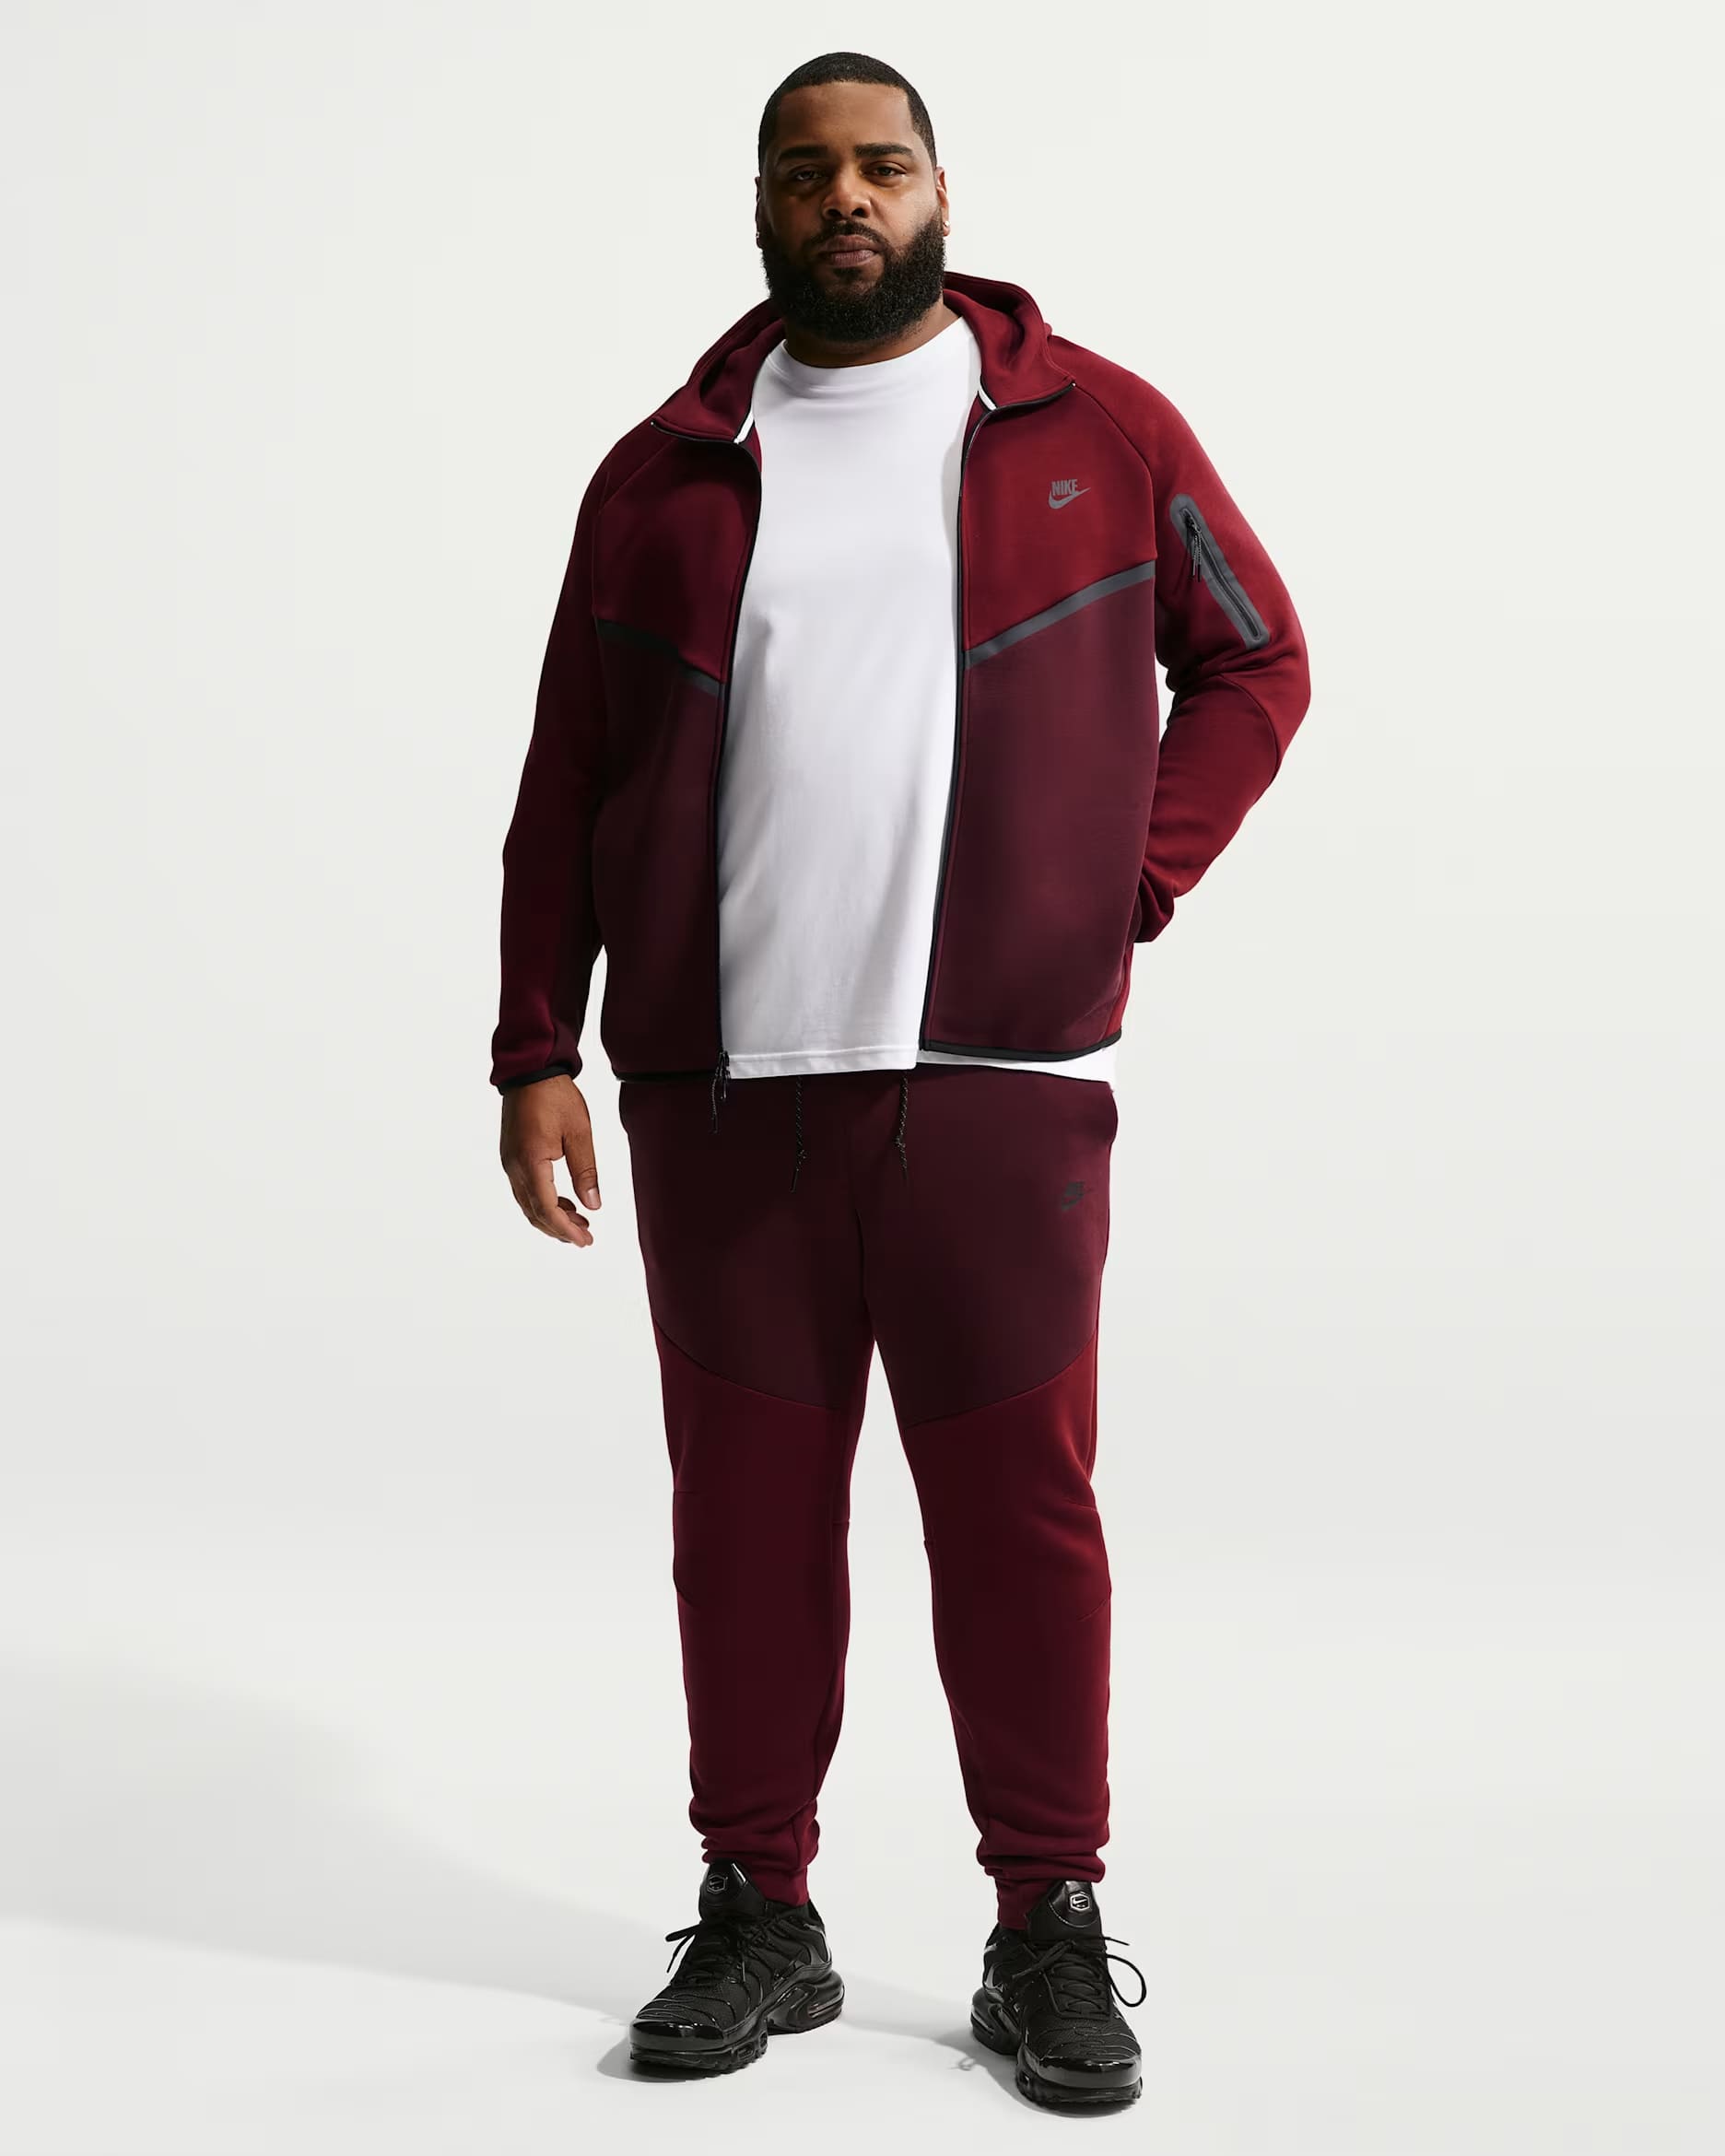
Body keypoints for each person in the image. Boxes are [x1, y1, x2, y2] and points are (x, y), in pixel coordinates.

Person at [490, 50, 1310, 2111]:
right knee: (744, 1524)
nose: (845, 197)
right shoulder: (664, 472)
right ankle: (758, 1909)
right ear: (762, 205)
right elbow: (565, 779)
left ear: (943, 191)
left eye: (881, 165)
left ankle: (1048, 1925)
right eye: (806, 170)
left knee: (1019, 1516)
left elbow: (1256, 660)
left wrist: (1128, 876)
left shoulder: (1098, 430)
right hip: (722, 1094)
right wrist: (536, 1047)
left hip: (999, 1087)